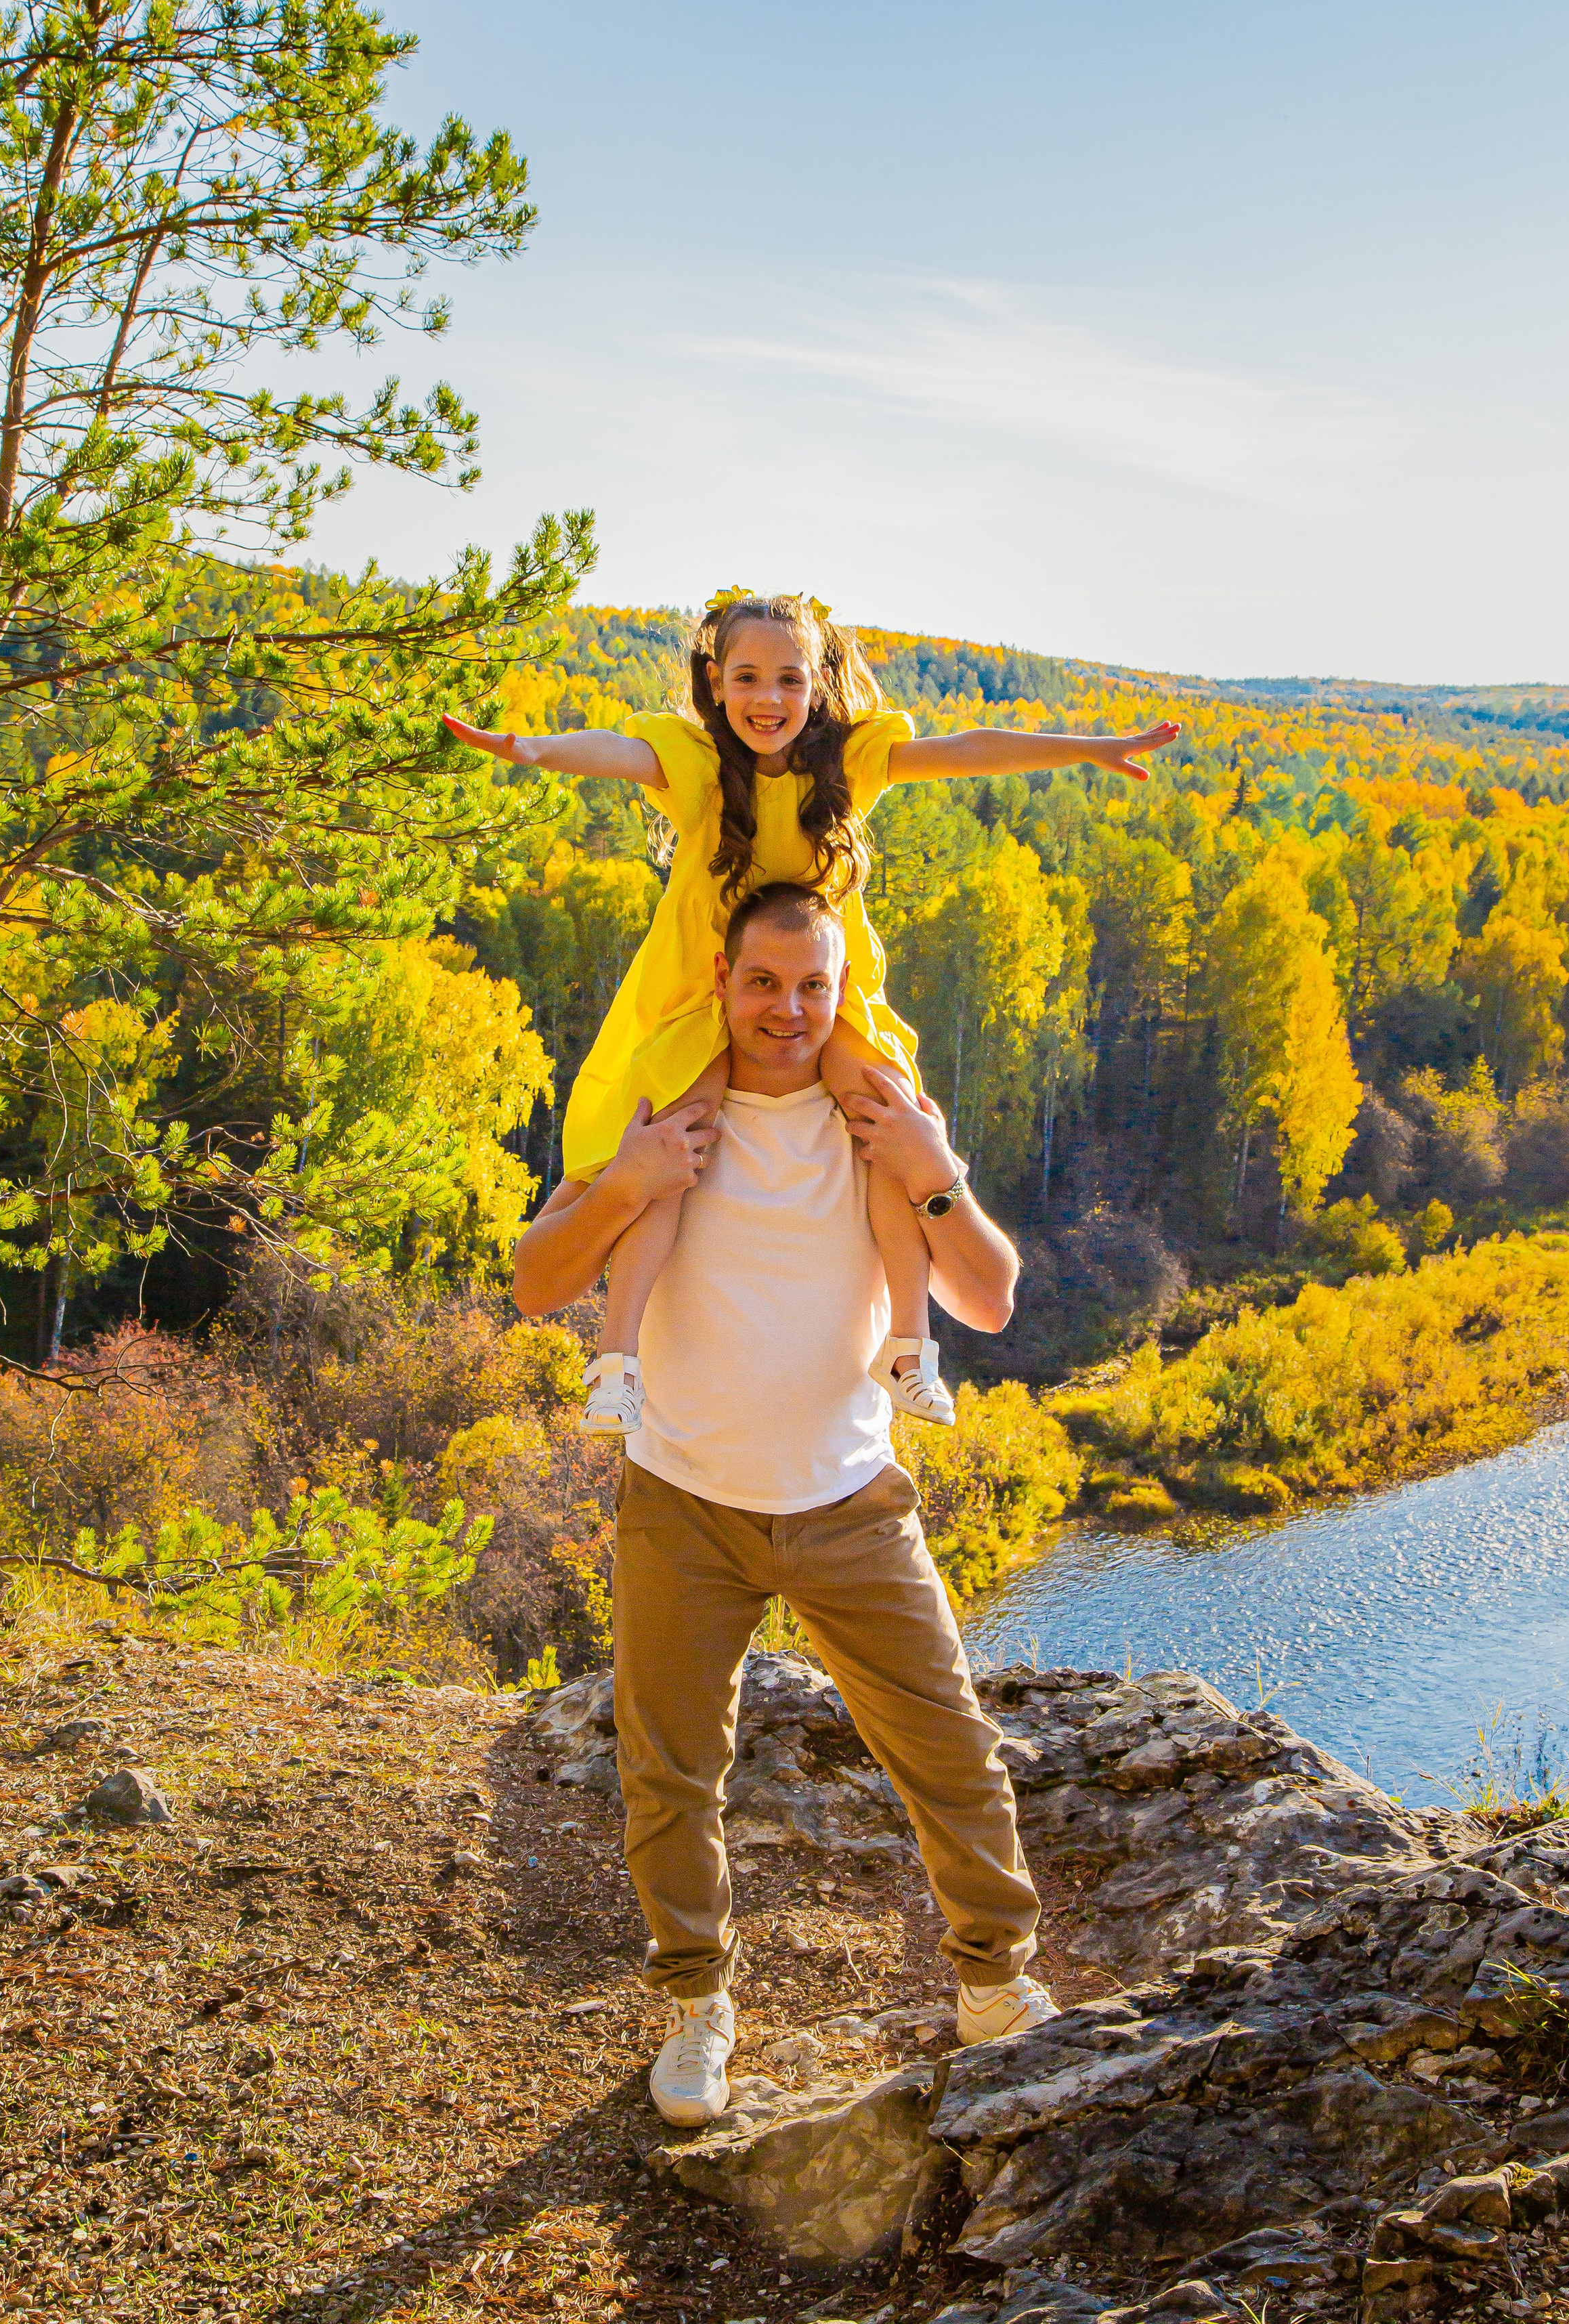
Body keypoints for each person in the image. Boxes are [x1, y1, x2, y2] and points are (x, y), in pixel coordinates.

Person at [513, 879, 1062, 2124]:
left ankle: (993, 1986)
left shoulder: (877, 1116)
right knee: (670, 1771)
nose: (789, 1008)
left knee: (951, 1750)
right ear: (721, 979)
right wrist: (623, 1181)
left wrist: (934, 1176)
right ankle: (696, 2005)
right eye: (765, 981)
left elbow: (991, 1297)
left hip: (847, 1497)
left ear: (841, 986)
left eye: (814, 983)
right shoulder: (665, 1114)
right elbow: (538, 1280)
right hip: (682, 1498)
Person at [448, 590, 1178, 1440]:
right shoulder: (697, 767)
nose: (768, 698)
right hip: (695, 996)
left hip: (831, 993)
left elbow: (967, 751)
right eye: (748, 676)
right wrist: (534, 750)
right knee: (663, 1148)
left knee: (886, 1127)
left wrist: (1089, 747)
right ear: (715, 683)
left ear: (820, 684)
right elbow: (617, 753)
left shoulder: (844, 767)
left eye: (790, 678)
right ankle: (616, 1362)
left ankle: (909, 1347)